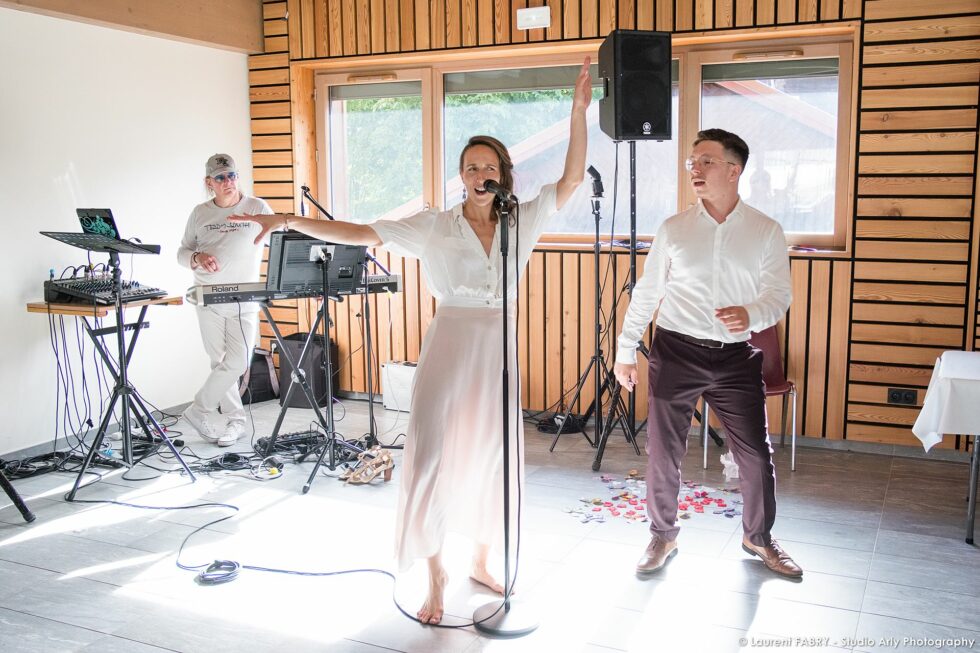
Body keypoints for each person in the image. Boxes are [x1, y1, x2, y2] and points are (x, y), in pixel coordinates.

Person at [232, 58, 592, 623]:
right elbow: (360, 231)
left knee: (491, 454)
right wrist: (285, 221)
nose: (479, 175)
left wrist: (578, 111)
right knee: (430, 454)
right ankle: (436, 574)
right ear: (462, 175)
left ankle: (481, 558)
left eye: (488, 166)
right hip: (451, 342)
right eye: (470, 167)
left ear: (503, 173)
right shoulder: (434, 224)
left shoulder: (523, 217)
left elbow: (572, 178)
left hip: (499, 348)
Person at [613, 129, 802, 579]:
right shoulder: (674, 229)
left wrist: (752, 313)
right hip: (676, 351)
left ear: (734, 171)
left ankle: (758, 537)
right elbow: (647, 292)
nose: (695, 170)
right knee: (663, 452)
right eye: (691, 162)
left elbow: (779, 295)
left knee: (755, 454)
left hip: (737, 357)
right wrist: (624, 350)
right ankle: (662, 534)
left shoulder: (766, 231)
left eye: (706, 162)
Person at [177, 154, 271, 447]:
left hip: (245, 298)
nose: (228, 181)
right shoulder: (199, 213)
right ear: (209, 183)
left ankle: (198, 409)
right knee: (218, 361)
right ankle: (235, 422)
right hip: (207, 298)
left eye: (231, 175)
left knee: (238, 361)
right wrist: (197, 257)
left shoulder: (256, 207)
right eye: (220, 177)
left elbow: (281, 235)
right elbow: (182, 252)